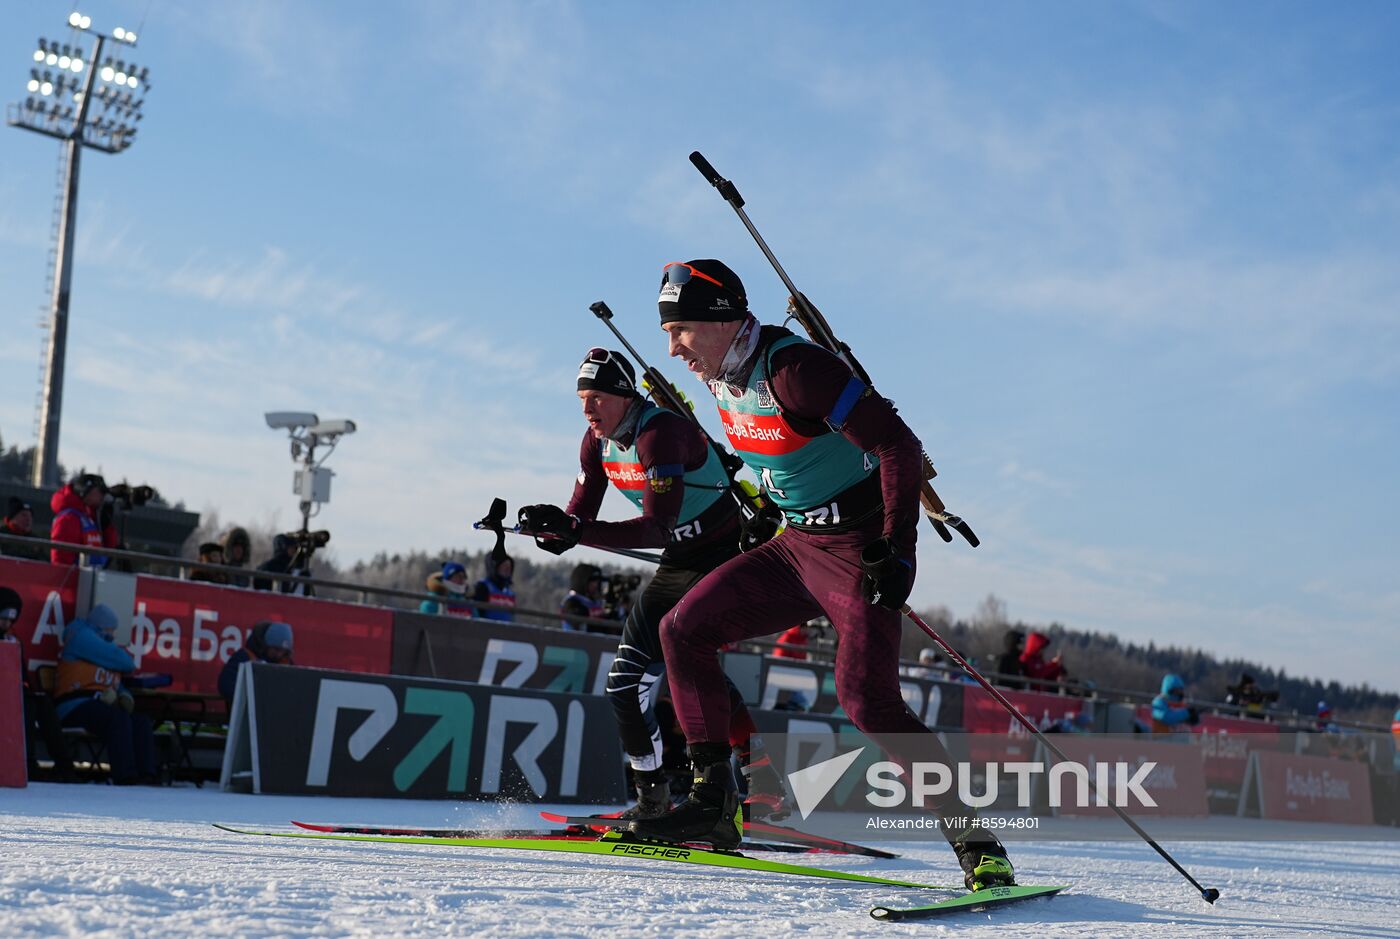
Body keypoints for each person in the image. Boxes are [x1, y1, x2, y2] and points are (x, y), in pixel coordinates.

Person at [629, 259, 1014, 892]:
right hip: (797, 544)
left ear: (724, 322)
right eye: (668, 332)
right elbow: (773, 458)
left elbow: (898, 446)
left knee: (867, 701)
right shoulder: (720, 375)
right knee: (682, 630)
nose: (672, 348)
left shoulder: (794, 369)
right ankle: (713, 803)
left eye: (683, 330)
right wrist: (767, 514)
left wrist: (899, 549)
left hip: (859, 548)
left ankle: (979, 845)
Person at [517, 346, 788, 821]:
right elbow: (582, 514)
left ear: (624, 395)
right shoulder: (594, 441)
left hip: (723, 555)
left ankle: (744, 783)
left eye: (597, 397)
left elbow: (655, 527)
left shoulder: (660, 432)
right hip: (679, 560)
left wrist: (576, 532)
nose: (587, 409)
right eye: (582, 398)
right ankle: (653, 798)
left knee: (686, 661)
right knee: (624, 686)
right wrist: (553, 528)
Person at [54, 604, 157, 784]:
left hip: (98, 705)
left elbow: (114, 680)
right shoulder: (81, 637)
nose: (113, 635)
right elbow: (126, 662)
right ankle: (125, 776)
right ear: (101, 627)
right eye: (111, 629)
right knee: (117, 719)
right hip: (74, 704)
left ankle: (147, 776)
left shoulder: (103, 648)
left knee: (142, 722)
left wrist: (125, 696)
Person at [1, 586, 76, 780]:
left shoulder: (12, 640)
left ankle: (65, 766)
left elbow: (22, 676)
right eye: (3, 618)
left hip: (11, 694)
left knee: (41, 703)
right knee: (26, 705)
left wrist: (26, 689)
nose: (6, 623)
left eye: (10, 620)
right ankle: (27, 763)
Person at [218, 621, 294, 711]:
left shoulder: (286, 663)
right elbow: (225, 685)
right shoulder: (244, 657)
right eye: (276, 649)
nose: (279, 654)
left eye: (283, 651)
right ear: (266, 644)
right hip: (246, 713)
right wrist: (255, 695)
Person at [49, 473, 117, 567]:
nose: (102, 496)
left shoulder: (88, 517)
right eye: (100, 491)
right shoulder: (69, 518)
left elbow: (107, 549)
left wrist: (106, 522)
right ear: (86, 491)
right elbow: (61, 560)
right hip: (78, 578)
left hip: (92, 577)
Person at [472, 551, 516, 622]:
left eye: (509, 567)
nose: (507, 570)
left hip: (506, 630)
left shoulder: (509, 593)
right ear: (495, 567)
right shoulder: (483, 587)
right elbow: (477, 614)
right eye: (504, 566)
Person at [559, 563, 606, 630]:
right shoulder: (572, 601)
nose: (595, 585)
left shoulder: (596, 602)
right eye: (592, 581)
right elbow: (576, 620)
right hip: (576, 638)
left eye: (597, 582)